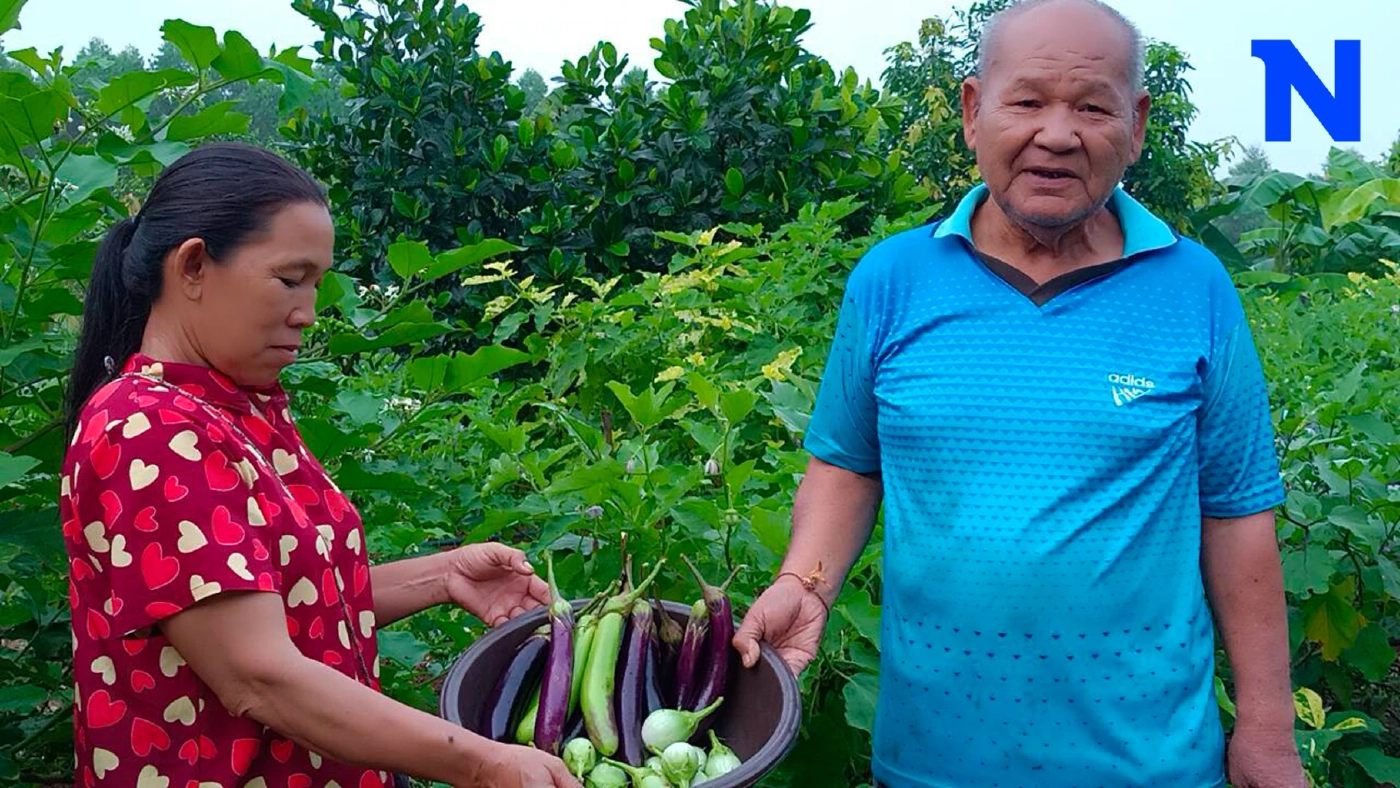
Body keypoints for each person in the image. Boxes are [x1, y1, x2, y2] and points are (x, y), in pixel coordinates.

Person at [732, 1, 1306, 786]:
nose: (1058, 134)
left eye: (1093, 106)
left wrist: (1269, 733)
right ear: (973, 112)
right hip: (934, 759)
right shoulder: (893, 282)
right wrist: (806, 584)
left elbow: (1237, 515)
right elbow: (849, 466)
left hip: (1151, 763)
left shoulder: (1195, 288)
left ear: (1135, 125)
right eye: (1028, 100)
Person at [60, 142, 581, 788]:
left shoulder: (234, 411)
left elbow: (294, 601)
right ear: (193, 265)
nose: (307, 312)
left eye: (316, 283)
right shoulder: (149, 430)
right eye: (289, 279)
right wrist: (482, 762)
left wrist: (445, 575)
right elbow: (259, 676)